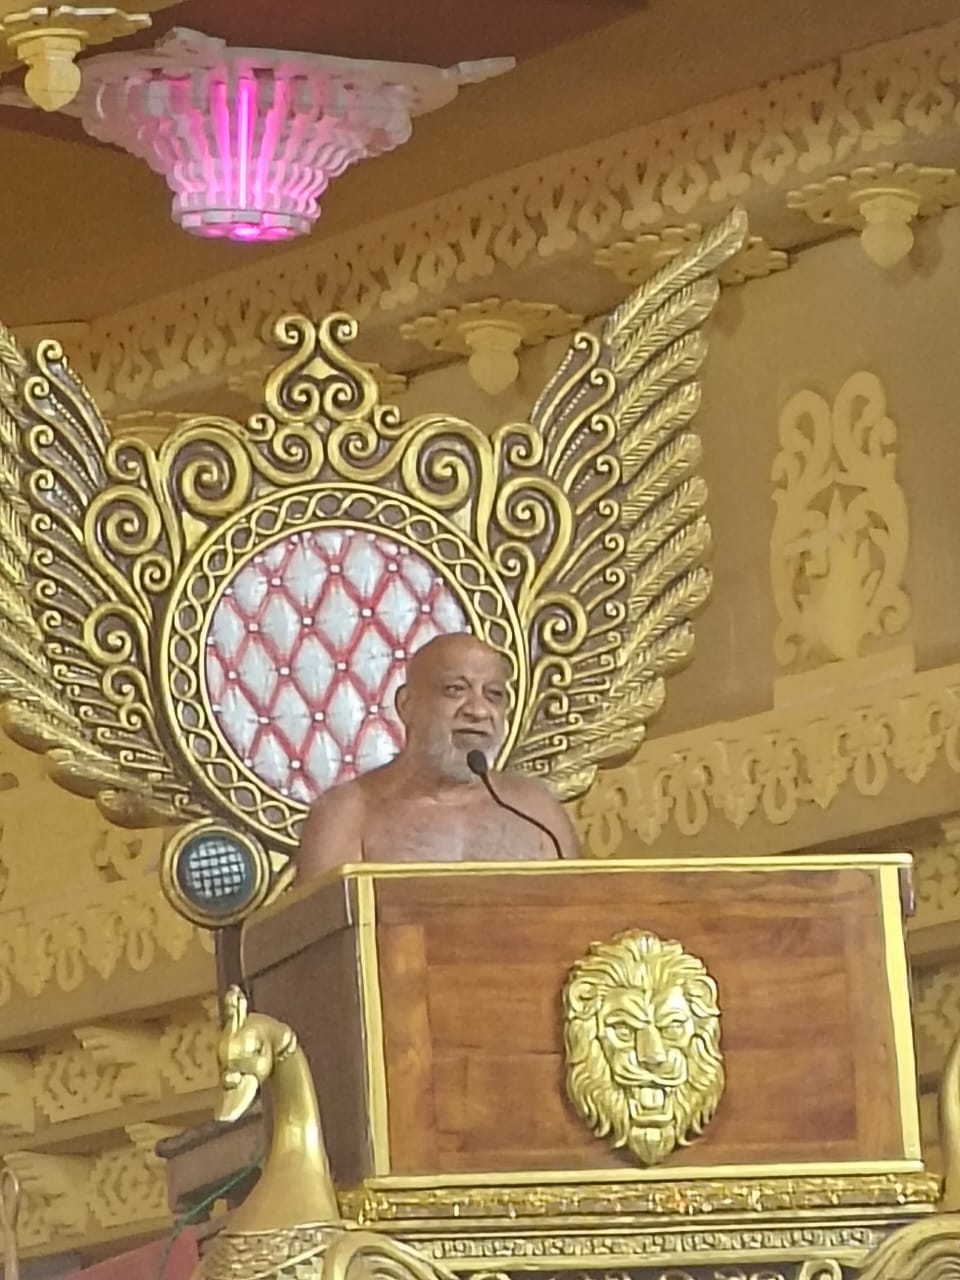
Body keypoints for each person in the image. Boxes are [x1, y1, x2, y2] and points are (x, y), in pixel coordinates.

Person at [296, 633, 580, 876]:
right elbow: (327, 924)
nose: (478, 710)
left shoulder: (536, 810)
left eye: (494, 694)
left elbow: (582, 911)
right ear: (406, 705)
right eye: (455, 690)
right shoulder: (346, 815)